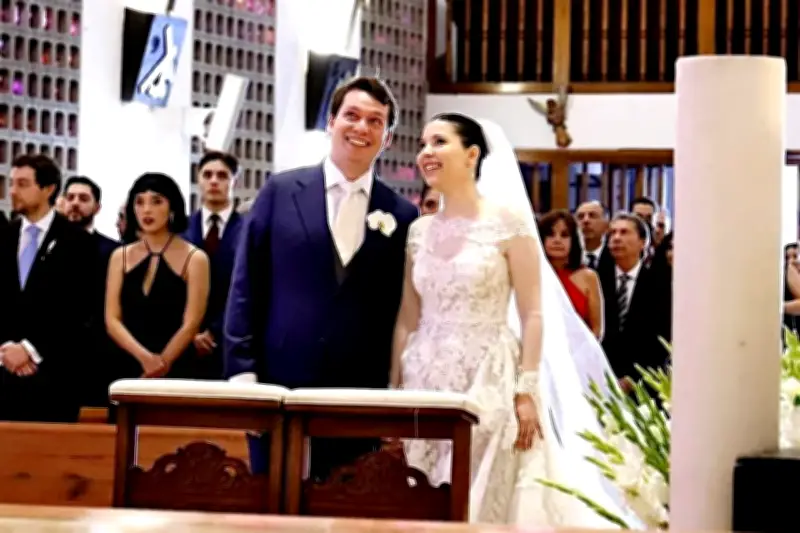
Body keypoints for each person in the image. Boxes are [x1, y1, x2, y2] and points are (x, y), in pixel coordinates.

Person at [390, 113, 630, 526]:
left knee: (480, 496)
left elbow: (532, 313)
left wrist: (526, 389)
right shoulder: (419, 231)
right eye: (423, 143)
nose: (426, 152)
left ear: (471, 155)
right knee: (424, 496)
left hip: (488, 377)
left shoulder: (508, 224)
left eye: (439, 142)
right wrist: (395, 387)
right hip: (424, 379)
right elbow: (408, 318)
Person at [224, 76, 418, 479]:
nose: (362, 127)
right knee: (273, 503)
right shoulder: (280, 191)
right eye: (352, 115)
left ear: (386, 137)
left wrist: (395, 390)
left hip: (360, 393)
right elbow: (246, 286)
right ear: (331, 122)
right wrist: (243, 373)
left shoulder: (401, 214)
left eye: (375, 121)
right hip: (279, 384)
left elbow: (400, 309)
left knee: (349, 504)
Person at [105, 173, 210, 381]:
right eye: (139, 202)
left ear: (172, 207)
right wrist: (145, 358)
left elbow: (191, 323)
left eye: (156, 201)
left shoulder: (195, 258)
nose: (146, 210)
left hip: (177, 368)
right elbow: (112, 319)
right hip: (126, 363)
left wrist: (162, 362)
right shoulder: (119, 256)